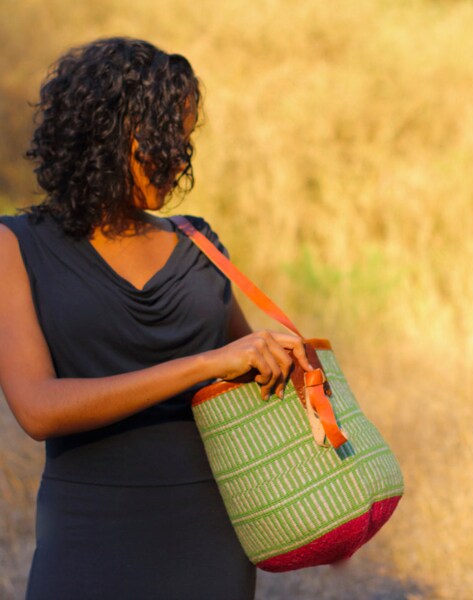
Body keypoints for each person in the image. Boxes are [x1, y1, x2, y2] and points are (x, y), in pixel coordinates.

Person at [0, 37, 310, 599]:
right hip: (87, 534)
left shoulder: (198, 243)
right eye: (166, 137)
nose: (180, 158)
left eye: (187, 140)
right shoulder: (14, 246)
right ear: (104, 132)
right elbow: (37, 408)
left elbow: (245, 373)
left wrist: (282, 361)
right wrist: (200, 365)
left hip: (208, 535)